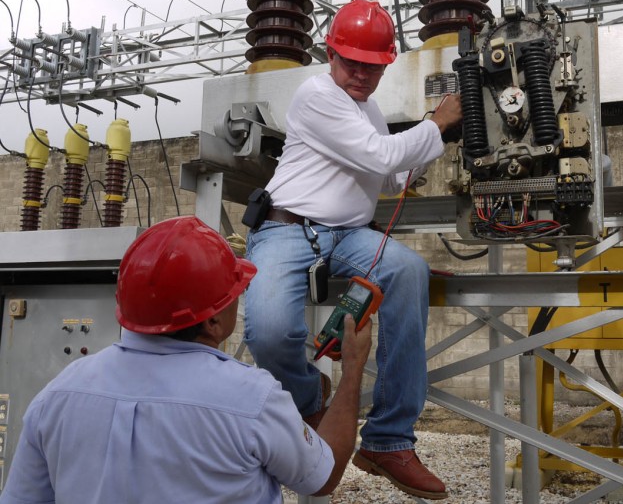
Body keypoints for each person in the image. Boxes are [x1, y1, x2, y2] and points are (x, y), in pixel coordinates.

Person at [244, 0, 463, 501]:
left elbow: (386, 174)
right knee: (273, 330)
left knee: (408, 271)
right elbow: (378, 153)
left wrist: (438, 148)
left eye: (374, 67)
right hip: (287, 229)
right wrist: (437, 124)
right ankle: (309, 396)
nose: (362, 75)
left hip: (348, 234)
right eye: (352, 64)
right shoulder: (316, 95)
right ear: (330, 54)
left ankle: (387, 440)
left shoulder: (367, 108)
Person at [0, 215, 372, 504]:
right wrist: (353, 369)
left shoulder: (58, 394)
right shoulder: (251, 398)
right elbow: (323, 476)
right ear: (212, 321)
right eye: (234, 293)